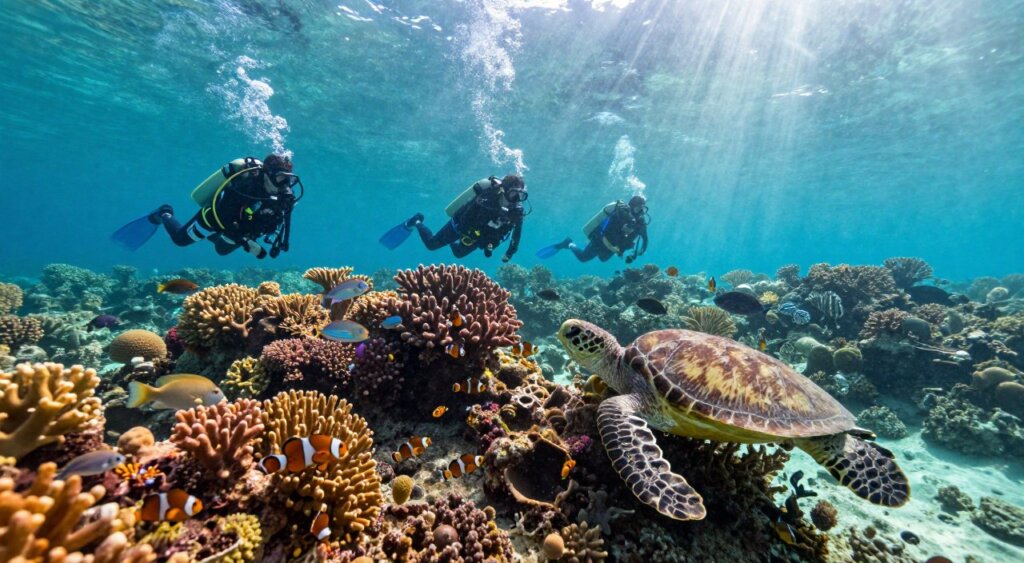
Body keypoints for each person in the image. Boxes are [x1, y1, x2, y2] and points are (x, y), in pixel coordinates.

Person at [112, 154, 302, 258]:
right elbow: (226, 218)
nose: (284, 185)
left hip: (242, 228)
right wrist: (247, 243)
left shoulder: (285, 195)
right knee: (180, 240)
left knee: (221, 250)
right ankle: (164, 212)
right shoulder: (244, 187)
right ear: (267, 174)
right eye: (280, 178)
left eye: (288, 180)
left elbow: (284, 226)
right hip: (215, 218)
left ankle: (219, 238)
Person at [380, 174, 528, 262]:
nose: (516, 200)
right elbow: (466, 217)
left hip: (480, 237)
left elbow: (517, 235)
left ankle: (454, 242)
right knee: (431, 245)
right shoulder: (487, 198)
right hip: (460, 225)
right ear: (503, 190)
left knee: (458, 254)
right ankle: (416, 221)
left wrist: (509, 253)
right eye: (514, 194)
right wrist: (471, 234)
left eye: (521, 196)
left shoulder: (517, 210)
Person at [538, 195, 649, 263]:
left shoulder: (640, 221)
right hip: (600, 239)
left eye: (643, 209)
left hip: (614, 244)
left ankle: (600, 250)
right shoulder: (618, 215)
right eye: (639, 208)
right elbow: (604, 234)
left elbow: (645, 239)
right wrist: (614, 249)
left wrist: (640, 251)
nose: (640, 212)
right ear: (632, 206)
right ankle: (569, 243)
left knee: (603, 259)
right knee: (583, 258)